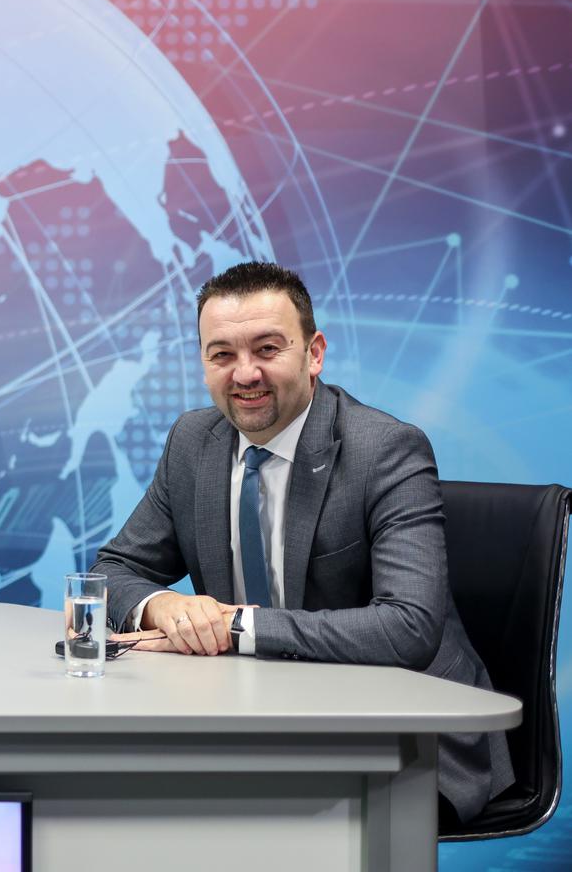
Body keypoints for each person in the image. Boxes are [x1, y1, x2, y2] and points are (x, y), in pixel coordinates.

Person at [90, 260, 511, 824]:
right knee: (132, 796)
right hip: (254, 715)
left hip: (400, 730)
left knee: (242, 820)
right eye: (222, 354)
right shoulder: (194, 441)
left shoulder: (386, 450)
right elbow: (113, 569)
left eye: (267, 349)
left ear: (314, 353)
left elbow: (408, 627)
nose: (245, 374)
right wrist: (163, 605)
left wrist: (236, 628)